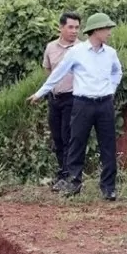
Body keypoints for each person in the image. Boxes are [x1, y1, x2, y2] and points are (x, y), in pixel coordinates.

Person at [28, 13, 122, 200]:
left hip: (104, 104)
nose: (109, 33)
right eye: (106, 29)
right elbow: (57, 74)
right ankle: (74, 182)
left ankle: (108, 187)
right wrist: (40, 93)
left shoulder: (110, 53)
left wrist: (110, 88)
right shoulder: (77, 52)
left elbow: (117, 72)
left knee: (108, 145)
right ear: (96, 31)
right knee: (77, 142)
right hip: (82, 103)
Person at [42, 12, 82, 192]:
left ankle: (69, 175)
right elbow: (48, 71)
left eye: (77, 27)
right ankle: (62, 173)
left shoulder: (82, 48)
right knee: (57, 137)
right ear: (61, 27)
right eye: (70, 27)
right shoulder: (51, 47)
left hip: (72, 98)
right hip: (54, 98)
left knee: (68, 137)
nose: (74, 31)